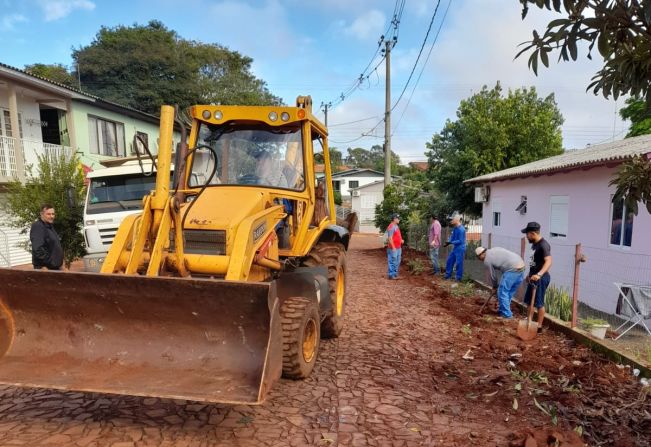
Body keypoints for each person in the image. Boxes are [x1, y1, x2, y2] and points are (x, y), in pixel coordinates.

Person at [476, 246, 526, 319]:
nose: (480, 260)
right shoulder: (494, 249)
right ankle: (504, 310)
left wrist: (494, 287)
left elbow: (493, 276)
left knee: (502, 292)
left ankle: (507, 315)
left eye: (479, 258)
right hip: (521, 267)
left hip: (512, 269)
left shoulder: (487, 260)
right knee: (508, 292)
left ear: (481, 254)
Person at [522, 222, 552, 334]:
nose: (526, 236)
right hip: (533, 278)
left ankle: (539, 327)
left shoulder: (543, 245)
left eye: (527, 234)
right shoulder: (535, 244)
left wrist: (539, 274)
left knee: (539, 303)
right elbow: (535, 262)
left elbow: (549, 261)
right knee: (530, 302)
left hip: (541, 278)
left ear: (533, 233)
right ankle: (529, 321)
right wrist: (529, 275)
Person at [30, 203, 63, 270]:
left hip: (54, 267)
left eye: (53, 214)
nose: (51, 216)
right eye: (48, 214)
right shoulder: (38, 227)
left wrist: (58, 263)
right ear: (41, 214)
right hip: (46, 269)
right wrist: (52, 263)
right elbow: (38, 250)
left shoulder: (49, 226)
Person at [444, 214, 466, 281]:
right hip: (455, 247)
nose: (452, 221)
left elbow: (460, 241)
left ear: (457, 220)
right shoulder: (455, 228)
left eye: (453, 219)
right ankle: (447, 275)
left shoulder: (461, 229)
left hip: (460, 248)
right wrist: (448, 242)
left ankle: (458, 278)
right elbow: (452, 237)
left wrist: (451, 242)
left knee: (459, 263)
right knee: (449, 260)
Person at [386, 213, 404, 280]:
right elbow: (390, 238)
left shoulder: (396, 226)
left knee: (398, 261)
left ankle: (395, 274)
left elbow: (397, 236)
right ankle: (391, 275)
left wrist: (401, 240)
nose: (399, 220)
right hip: (393, 248)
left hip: (398, 247)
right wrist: (393, 247)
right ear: (394, 219)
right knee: (392, 261)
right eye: (398, 218)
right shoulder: (391, 227)